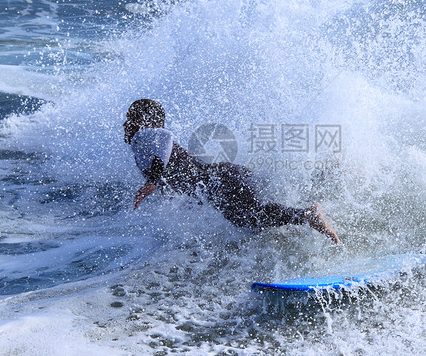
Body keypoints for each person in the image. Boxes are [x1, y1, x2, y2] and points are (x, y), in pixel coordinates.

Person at [124, 98, 339, 245]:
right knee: (261, 205)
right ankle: (325, 174)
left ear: (142, 122)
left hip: (220, 181)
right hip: (224, 177)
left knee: (250, 217)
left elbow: (165, 137)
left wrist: (152, 182)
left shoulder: (149, 136)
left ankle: (307, 215)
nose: (126, 124)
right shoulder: (143, 145)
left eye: (130, 118)